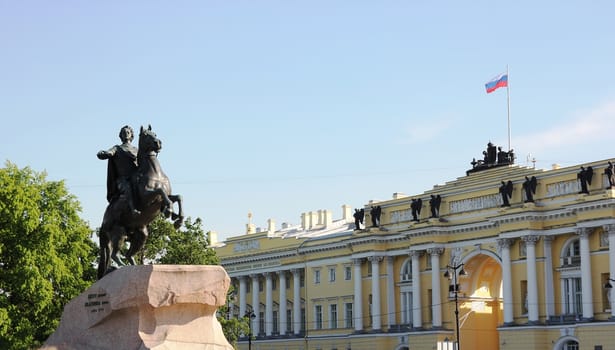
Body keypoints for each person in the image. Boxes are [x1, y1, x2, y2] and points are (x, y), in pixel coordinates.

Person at [97, 125, 140, 215]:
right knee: (127, 187)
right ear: (121, 135)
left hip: (135, 178)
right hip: (123, 179)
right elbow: (109, 152)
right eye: (123, 133)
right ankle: (133, 209)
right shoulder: (117, 148)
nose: (126, 134)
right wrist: (104, 153)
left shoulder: (136, 150)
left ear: (131, 135)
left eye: (128, 132)